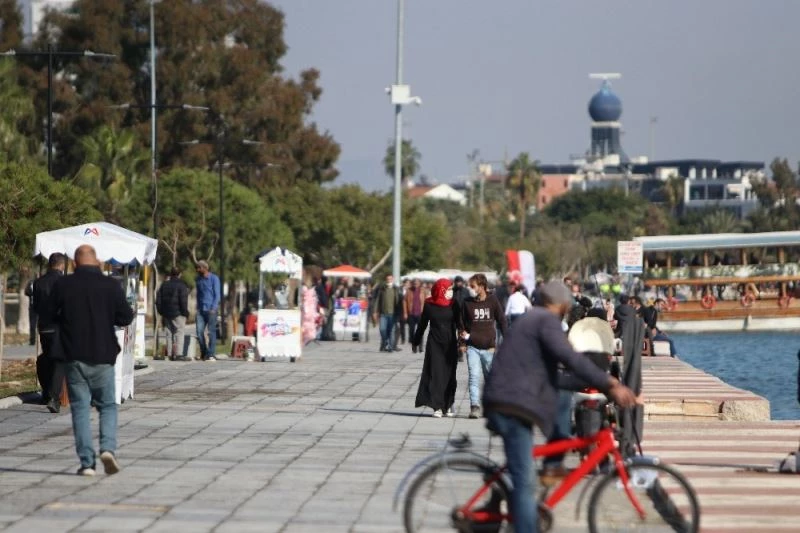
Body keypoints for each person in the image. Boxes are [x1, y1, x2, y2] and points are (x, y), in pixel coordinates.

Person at [483, 281, 638, 533]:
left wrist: (595, 383)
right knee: (525, 484)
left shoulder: (532, 318)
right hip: (510, 404)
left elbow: (556, 375)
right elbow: (570, 358)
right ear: (561, 304)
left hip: (513, 398)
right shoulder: (545, 321)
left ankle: (550, 465)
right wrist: (609, 382)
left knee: (561, 397)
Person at [51, 245, 134, 476]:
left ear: (75, 264)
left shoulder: (64, 285)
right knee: (107, 406)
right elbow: (126, 316)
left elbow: (46, 312)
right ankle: (108, 448)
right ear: (98, 262)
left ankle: (87, 463)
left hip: (74, 355)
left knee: (79, 407)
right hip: (102, 355)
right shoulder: (111, 286)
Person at [459, 273, 507, 419]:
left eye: (473, 286)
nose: (471, 289)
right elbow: (461, 325)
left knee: (490, 379)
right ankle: (475, 407)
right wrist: (462, 343)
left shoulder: (493, 300)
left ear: (482, 286)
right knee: (474, 376)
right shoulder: (467, 303)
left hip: (489, 347)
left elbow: (502, 320)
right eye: (470, 286)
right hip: (472, 347)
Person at [412, 278, 459, 418]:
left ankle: (449, 403)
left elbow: (460, 323)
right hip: (435, 344)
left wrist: (463, 341)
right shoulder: (429, 304)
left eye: (451, 289)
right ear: (441, 290)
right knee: (436, 374)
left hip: (450, 343)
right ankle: (437, 406)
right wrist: (416, 341)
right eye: (449, 289)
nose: (451, 292)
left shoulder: (454, 304)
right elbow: (422, 324)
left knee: (450, 374)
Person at [32, 252, 67, 413]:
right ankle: (54, 398)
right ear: (61, 265)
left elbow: (36, 306)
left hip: (44, 327)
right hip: (58, 327)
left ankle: (46, 393)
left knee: (46, 358)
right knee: (59, 360)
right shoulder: (64, 282)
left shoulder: (38, 282)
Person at [156, 267, 190, 361]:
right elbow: (183, 301)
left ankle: (170, 354)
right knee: (179, 333)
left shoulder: (164, 285)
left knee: (169, 333)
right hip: (178, 313)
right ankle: (178, 354)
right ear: (179, 274)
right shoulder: (182, 285)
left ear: (170, 274)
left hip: (166, 313)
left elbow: (158, 300)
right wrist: (185, 313)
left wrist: (161, 311)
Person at [195, 260, 221, 361]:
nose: (197, 270)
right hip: (201, 310)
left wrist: (213, 308)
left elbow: (217, 294)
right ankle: (204, 351)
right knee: (199, 332)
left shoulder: (214, 279)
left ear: (205, 268)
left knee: (211, 332)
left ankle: (211, 353)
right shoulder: (198, 280)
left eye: (199, 268)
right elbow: (198, 295)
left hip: (211, 310)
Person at [372, 274, 402, 352]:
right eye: (387, 279)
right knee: (382, 329)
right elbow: (378, 300)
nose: (389, 280)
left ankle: (390, 347)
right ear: (386, 280)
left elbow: (400, 301)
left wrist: (400, 313)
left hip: (393, 314)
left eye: (390, 279)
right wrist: (375, 311)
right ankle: (385, 342)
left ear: (393, 279)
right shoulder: (382, 289)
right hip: (383, 314)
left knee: (391, 331)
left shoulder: (396, 289)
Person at [404, 278, 426, 352]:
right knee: (411, 331)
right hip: (411, 313)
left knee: (420, 331)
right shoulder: (409, 290)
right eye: (414, 283)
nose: (415, 284)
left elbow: (426, 301)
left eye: (417, 282)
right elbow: (404, 301)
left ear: (420, 283)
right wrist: (405, 313)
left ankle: (420, 347)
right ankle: (414, 345)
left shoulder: (423, 291)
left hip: (420, 313)